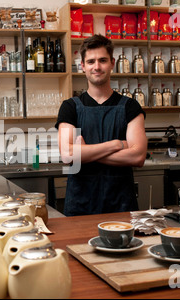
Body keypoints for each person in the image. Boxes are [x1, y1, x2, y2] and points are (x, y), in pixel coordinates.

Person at [55, 34, 147, 216]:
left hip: (121, 205)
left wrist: (85, 152)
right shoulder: (70, 107)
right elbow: (68, 154)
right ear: (82, 66)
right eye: (91, 62)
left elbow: (138, 157)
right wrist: (116, 144)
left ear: (112, 63)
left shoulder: (130, 106)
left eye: (102, 60)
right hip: (80, 206)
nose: (96, 67)